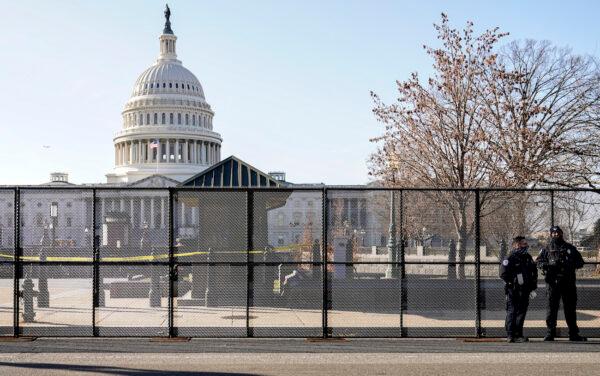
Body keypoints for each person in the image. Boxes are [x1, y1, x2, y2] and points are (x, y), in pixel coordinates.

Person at [536, 226, 587, 341]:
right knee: (551, 308)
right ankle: (550, 332)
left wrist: (569, 265)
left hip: (568, 282)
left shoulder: (570, 248)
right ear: (550, 235)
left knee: (570, 308)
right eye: (553, 233)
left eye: (557, 232)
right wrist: (545, 265)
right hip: (552, 283)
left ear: (561, 234)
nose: (555, 235)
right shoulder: (547, 248)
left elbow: (580, 262)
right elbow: (538, 261)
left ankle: (573, 333)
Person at [500, 236, 538, 343]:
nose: (526, 246)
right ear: (516, 245)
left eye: (526, 244)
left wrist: (532, 287)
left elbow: (534, 272)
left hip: (525, 290)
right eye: (523, 244)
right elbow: (503, 273)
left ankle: (518, 334)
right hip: (513, 290)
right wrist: (511, 283)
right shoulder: (510, 257)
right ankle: (510, 335)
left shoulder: (527, 257)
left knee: (521, 312)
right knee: (512, 311)